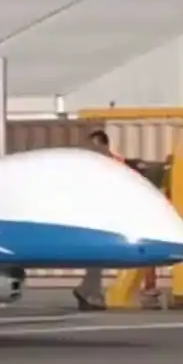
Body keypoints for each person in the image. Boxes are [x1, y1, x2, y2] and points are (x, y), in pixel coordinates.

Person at [74, 130, 124, 310]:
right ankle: (90, 292)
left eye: (93, 146)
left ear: (102, 145)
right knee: (97, 257)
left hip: (102, 214)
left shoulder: (108, 162)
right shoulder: (98, 163)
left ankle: (88, 291)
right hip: (97, 215)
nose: (90, 150)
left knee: (98, 257)